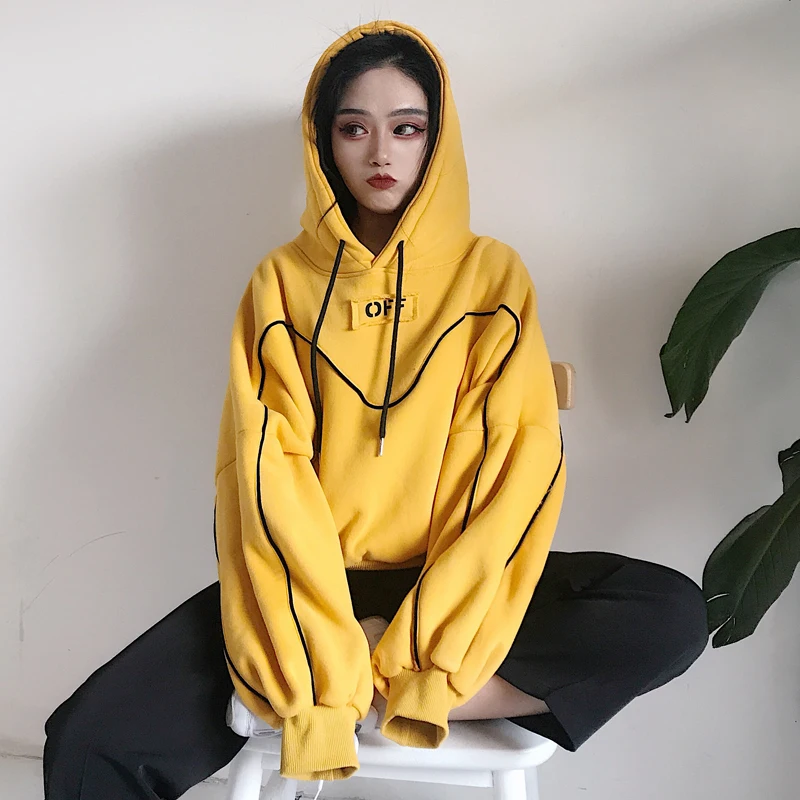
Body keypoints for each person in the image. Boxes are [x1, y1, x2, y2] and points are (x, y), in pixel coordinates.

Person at [42, 19, 708, 798]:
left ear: (437, 140)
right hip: (303, 586)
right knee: (86, 740)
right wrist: (321, 638)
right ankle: (350, 674)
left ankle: (408, 693)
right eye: (354, 128)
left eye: (407, 128)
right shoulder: (280, 284)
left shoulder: (493, 277)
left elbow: (514, 471)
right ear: (323, 142)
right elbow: (266, 478)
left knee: (668, 612)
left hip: (460, 586)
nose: (381, 153)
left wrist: (431, 652)